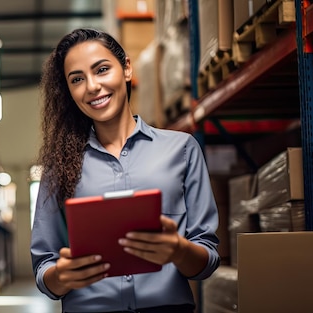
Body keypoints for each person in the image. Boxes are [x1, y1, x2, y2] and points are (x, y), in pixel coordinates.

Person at [30, 28, 220, 313]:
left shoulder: (181, 149)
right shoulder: (59, 166)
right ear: (69, 91)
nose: (92, 86)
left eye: (102, 69)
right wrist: (61, 276)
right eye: (77, 79)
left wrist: (179, 250)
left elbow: (207, 257)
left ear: (127, 68)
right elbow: (44, 266)